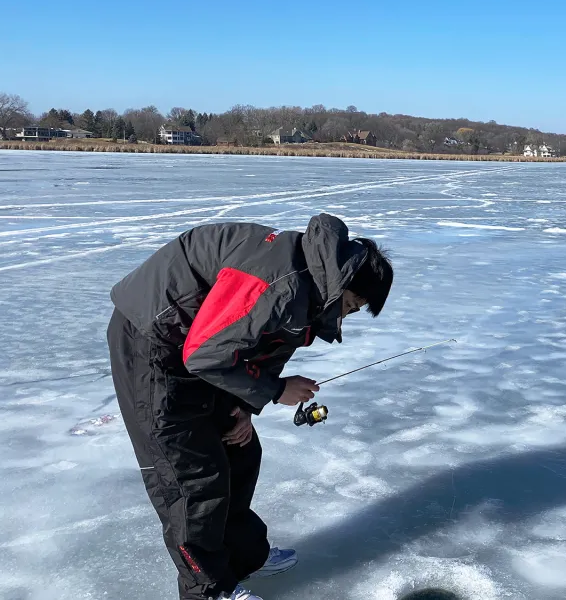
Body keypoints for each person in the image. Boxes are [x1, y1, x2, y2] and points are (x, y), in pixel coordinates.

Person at [106, 212, 393, 600]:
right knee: (194, 475)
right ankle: (208, 589)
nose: (350, 315)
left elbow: (263, 346)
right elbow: (205, 357)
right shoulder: (281, 284)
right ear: (344, 283)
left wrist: (244, 405)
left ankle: (240, 559)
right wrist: (275, 390)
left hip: (203, 343)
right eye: (354, 305)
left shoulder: (313, 281)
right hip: (154, 343)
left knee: (239, 450)